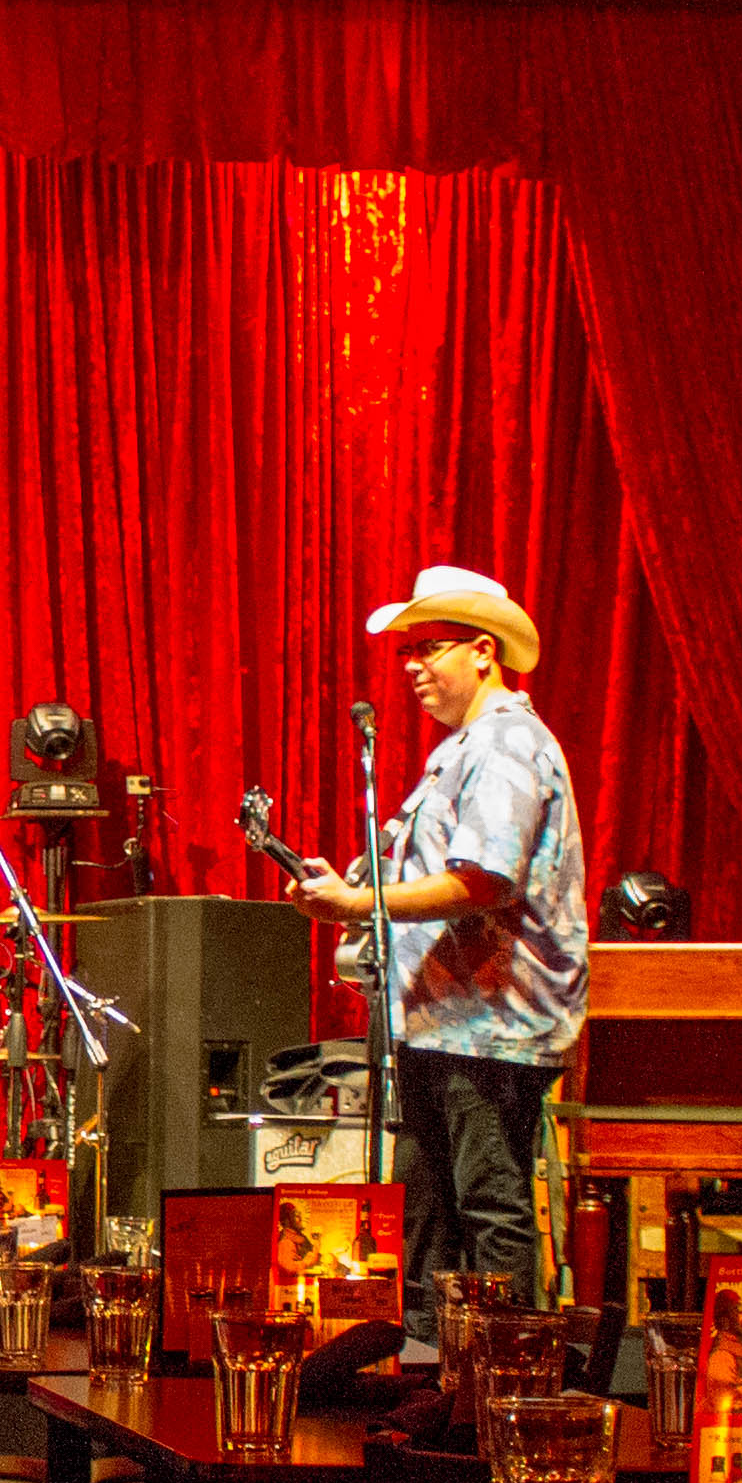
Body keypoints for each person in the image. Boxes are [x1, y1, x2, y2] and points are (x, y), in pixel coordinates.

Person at [292, 563, 585, 1314]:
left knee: (487, 1205)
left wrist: (363, 900)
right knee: (427, 1211)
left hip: (488, 1029)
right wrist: (356, 893)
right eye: (408, 652)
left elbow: (484, 880)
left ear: (483, 651)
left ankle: (503, 1363)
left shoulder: (507, 742)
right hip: (442, 1023)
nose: (412, 667)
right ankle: (435, 1360)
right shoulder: (462, 749)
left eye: (429, 648)